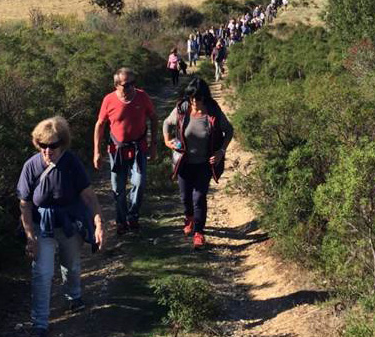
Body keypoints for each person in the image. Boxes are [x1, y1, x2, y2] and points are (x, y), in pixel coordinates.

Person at [17, 116, 106, 337]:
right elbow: (25, 206)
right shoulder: (31, 167)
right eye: (43, 146)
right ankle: (40, 323)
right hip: (41, 225)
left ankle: (73, 296)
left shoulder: (71, 163)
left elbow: (88, 196)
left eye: (53, 146)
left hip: (69, 222)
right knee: (42, 273)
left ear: (62, 144)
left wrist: (98, 224)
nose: (48, 151)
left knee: (72, 265)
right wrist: (30, 237)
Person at [163, 77, 233, 248]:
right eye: (191, 97)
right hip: (184, 162)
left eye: (198, 98)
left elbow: (229, 130)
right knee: (185, 197)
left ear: (205, 97)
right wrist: (167, 140)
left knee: (199, 197)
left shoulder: (213, 111)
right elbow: (167, 122)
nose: (194, 101)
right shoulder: (183, 108)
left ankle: (199, 233)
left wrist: (221, 151)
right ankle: (189, 218)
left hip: (204, 163)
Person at [93, 68, 158, 235]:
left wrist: (153, 144)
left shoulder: (142, 97)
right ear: (116, 85)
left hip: (139, 148)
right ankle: (121, 220)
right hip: (117, 151)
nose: (130, 88)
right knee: (118, 188)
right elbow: (100, 125)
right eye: (126, 85)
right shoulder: (108, 100)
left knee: (139, 182)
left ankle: (133, 216)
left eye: (133, 83)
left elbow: (154, 117)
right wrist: (97, 152)